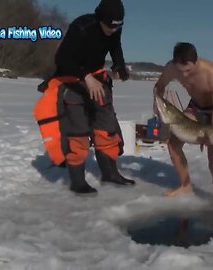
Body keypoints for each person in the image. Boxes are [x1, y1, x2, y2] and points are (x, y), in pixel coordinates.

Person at [33, 0, 135, 195]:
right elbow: (62, 58)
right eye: (110, 26)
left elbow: (115, 46)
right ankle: (78, 181)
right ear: (100, 19)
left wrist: (119, 65)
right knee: (77, 131)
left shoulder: (114, 29)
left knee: (107, 127)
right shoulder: (82, 27)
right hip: (71, 79)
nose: (114, 30)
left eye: (118, 26)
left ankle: (110, 173)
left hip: (96, 79)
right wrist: (86, 77)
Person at [153, 42, 213, 214]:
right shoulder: (172, 68)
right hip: (195, 106)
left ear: (196, 62)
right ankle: (186, 185)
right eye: (181, 71)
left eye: (188, 71)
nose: (184, 75)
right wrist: (156, 103)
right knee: (173, 145)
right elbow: (159, 86)